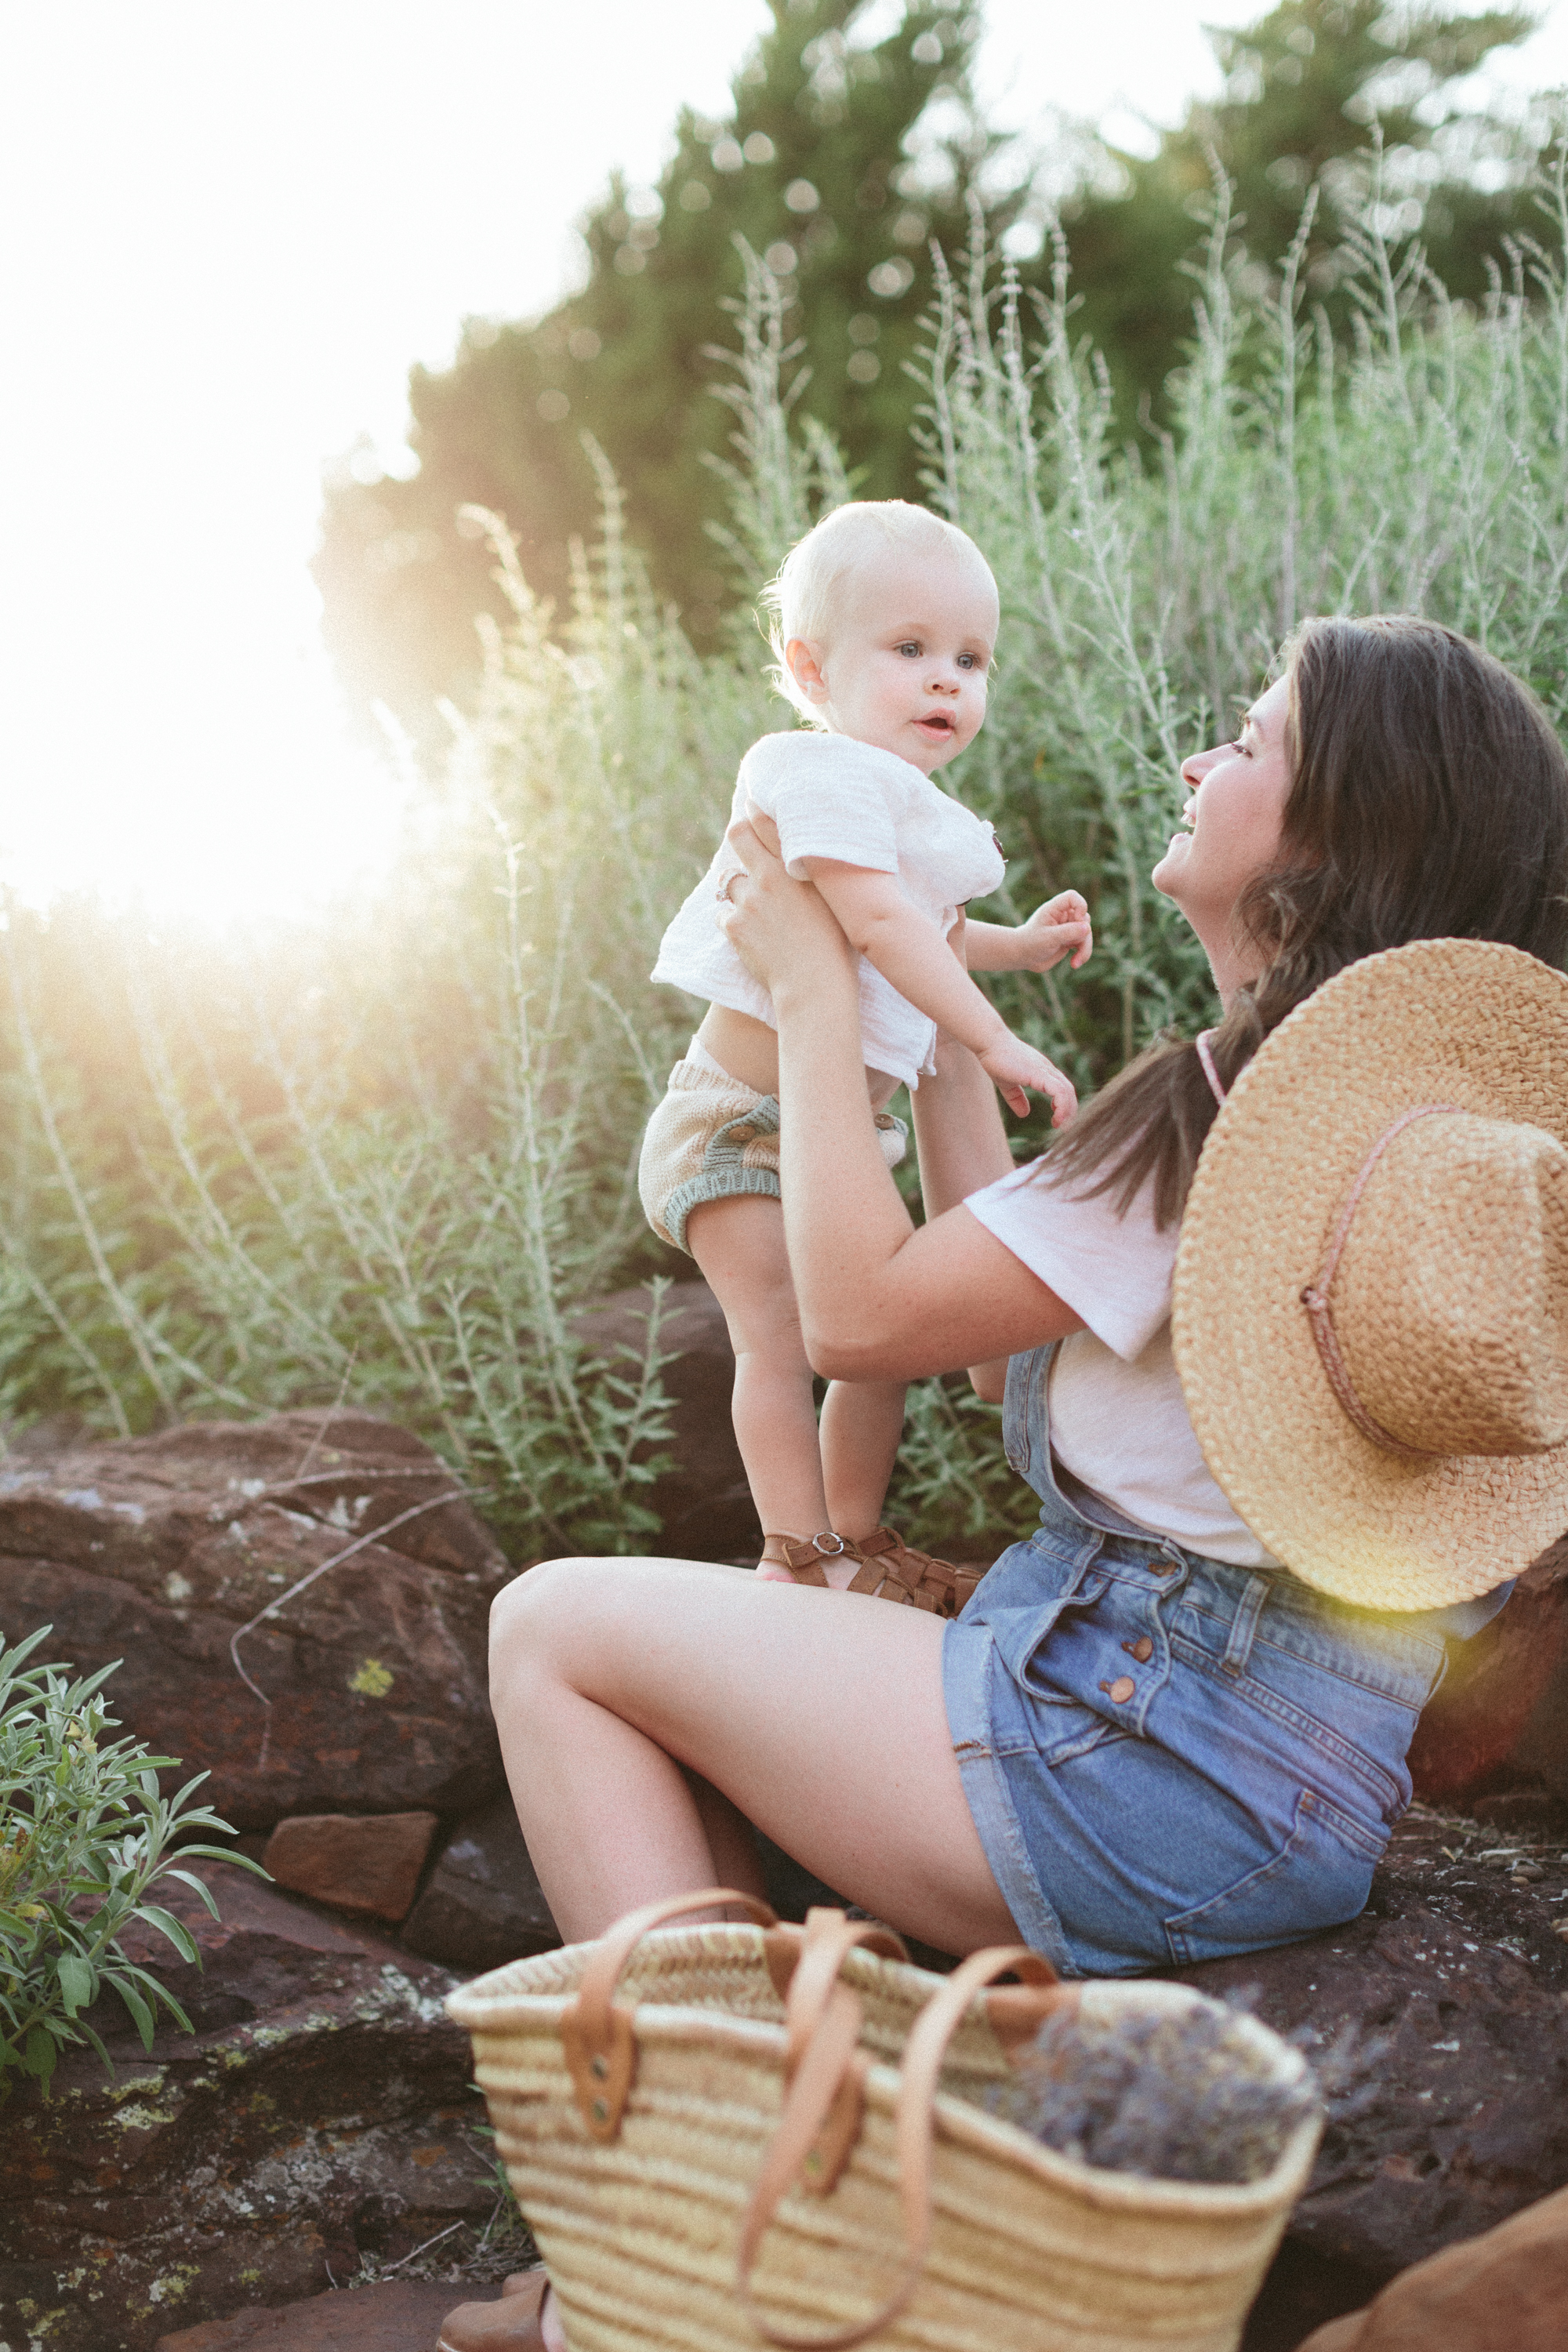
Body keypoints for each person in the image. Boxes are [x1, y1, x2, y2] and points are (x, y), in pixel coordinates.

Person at [448, 612, 1568, 2352]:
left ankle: (689, 2224)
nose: (1203, 762)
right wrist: (946, 1030)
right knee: (750, 1649)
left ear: (1335, 834)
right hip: (1291, 1788)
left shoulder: (1215, 1119)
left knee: (553, 1630)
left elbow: (863, 1316)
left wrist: (820, 1003)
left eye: (1252, 740)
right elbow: (998, 1339)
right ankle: (732, 2185)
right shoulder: (1396, 1155)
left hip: (1125, 1756)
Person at [639, 499, 1091, 1595]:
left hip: (828, 1134)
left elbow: (923, 928)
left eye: (970, 658)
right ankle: (796, 1549)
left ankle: (854, 1536)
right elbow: (882, 928)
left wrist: (1020, 950)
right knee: (784, 1335)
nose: (948, 680)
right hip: (735, 1123)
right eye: (910, 649)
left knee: (875, 1347)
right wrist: (993, 1040)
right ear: (811, 668)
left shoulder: (902, 808)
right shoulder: (817, 771)